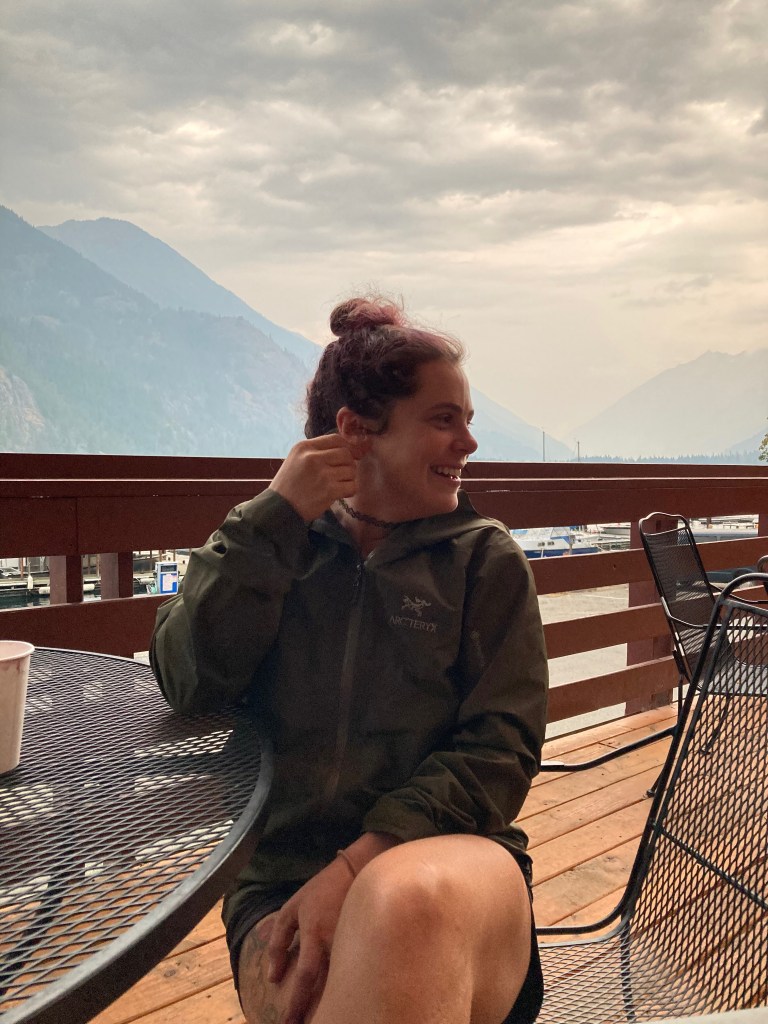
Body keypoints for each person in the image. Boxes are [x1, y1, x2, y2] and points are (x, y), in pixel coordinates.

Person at [150, 295, 549, 1024]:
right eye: (444, 419)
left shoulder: (484, 562)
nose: (469, 443)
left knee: (403, 905)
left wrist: (355, 870)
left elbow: (502, 749)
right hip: (281, 881)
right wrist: (271, 519)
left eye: (467, 420)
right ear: (356, 431)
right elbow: (188, 681)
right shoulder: (271, 546)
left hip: (452, 861)